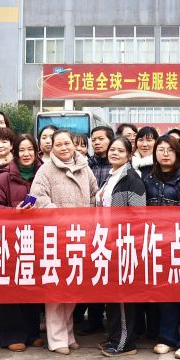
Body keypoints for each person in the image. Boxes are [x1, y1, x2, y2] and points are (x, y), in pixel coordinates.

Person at [29, 130, 97, 355]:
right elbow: (38, 199)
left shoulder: (85, 168)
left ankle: (68, 333)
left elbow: (94, 196)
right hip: (56, 238)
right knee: (56, 291)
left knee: (73, 288)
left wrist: (88, 221)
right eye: (58, 144)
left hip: (80, 237)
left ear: (74, 144)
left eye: (67, 143)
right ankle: (56, 339)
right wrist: (62, 216)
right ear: (51, 147)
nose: (64, 147)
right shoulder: (45, 170)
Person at [142, 135, 180, 358]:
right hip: (158, 243)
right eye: (161, 150)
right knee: (165, 290)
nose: (165, 154)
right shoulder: (149, 178)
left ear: (177, 153)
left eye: (170, 150)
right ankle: (167, 336)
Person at [0, 133, 44, 351]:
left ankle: (32, 333)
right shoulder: (3, 177)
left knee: (31, 285)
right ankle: (12, 335)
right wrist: (14, 211)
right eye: (22, 150)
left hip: (36, 239)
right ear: (15, 152)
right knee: (10, 287)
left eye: (30, 149)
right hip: (10, 239)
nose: (26, 154)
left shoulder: (43, 174)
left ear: (36, 151)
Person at [96, 136, 147, 357]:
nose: (114, 153)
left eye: (120, 150)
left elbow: (138, 216)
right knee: (112, 294)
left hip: (123, 244)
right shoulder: (111, 177)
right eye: (112, 149)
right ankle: (114, 336)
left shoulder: (132, 179)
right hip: (106, 243)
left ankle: (125, 343)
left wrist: (124, 239)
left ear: (129, 155)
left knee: (123, 295)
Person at [78, 126, 114, 336]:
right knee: (94, 272)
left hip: (111, 227)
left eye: (101, 139)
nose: (97, 142)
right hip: (90, 226)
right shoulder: (86, 164)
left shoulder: (116, 164)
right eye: (94, 139)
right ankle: (94, 319)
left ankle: (113, 321)